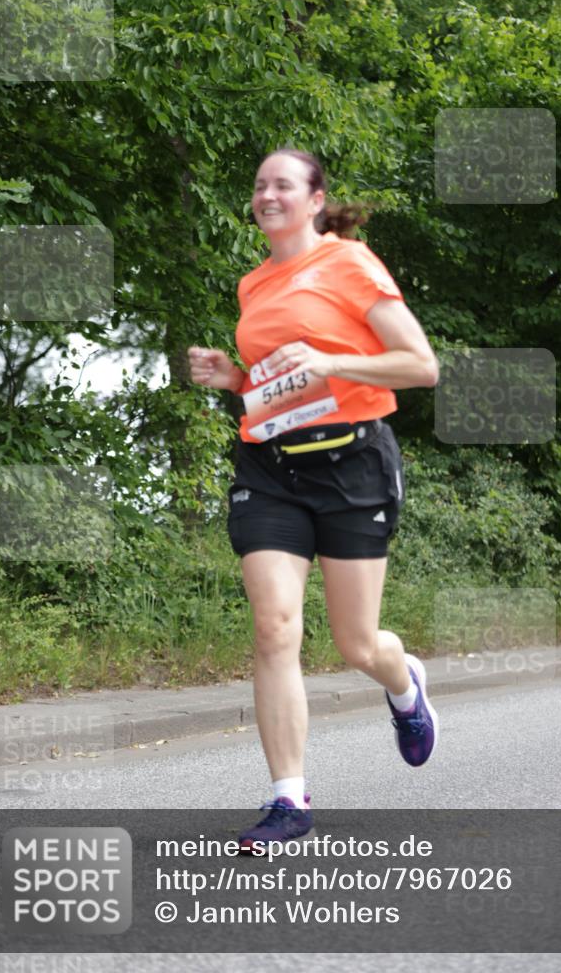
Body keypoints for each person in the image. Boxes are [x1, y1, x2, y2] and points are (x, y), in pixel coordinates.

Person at [188, 148, 439, 851]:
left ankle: (403, 683)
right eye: (259, 184)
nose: (267, 194)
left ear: (314, 197)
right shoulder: (252, 283)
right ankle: (288, 801)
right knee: (274, 627)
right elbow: (277, 384)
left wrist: (332, 360)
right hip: (268, 467)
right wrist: (234, 379)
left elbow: (420, 365)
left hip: (352, 464)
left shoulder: (348, 263)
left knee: (358, 643)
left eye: (282, 184)